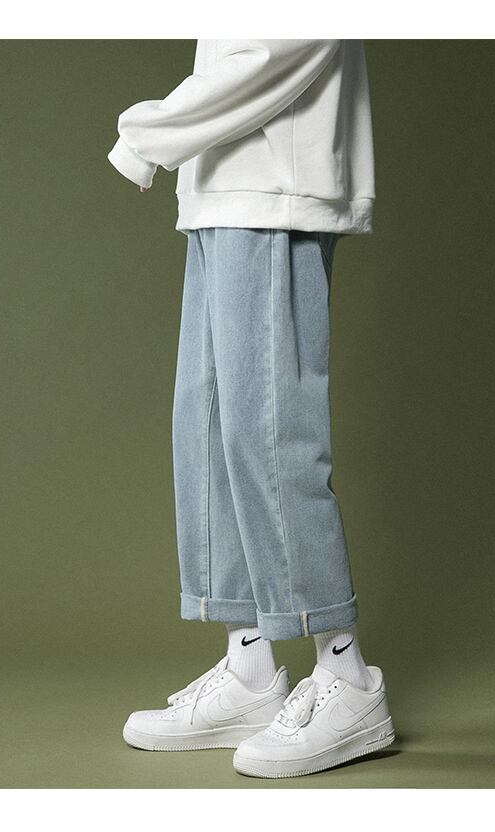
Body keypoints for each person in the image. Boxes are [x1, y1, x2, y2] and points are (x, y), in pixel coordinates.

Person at [106, 39, 394, 778]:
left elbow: (278, 50)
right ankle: (250, 669)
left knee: (269, 434)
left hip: (276, 186)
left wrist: (149, 133)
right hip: (220, 186)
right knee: (208, 428)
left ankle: (348, 677)